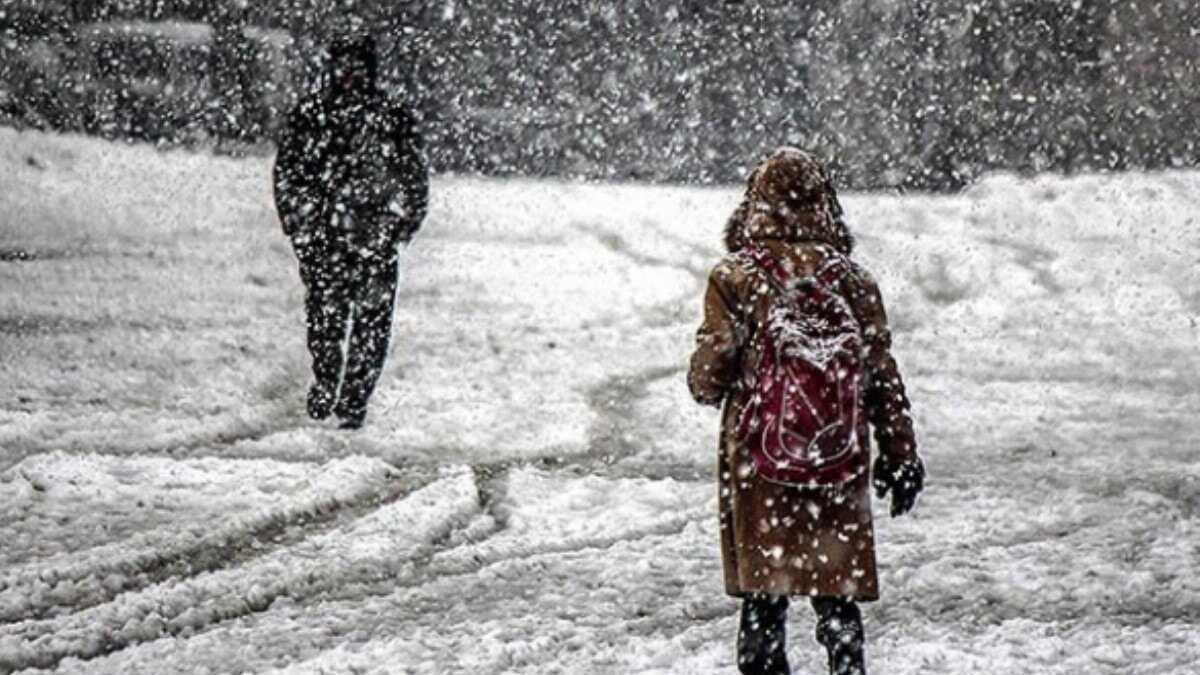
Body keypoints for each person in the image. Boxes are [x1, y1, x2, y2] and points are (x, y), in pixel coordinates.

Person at [687, 147, 925, 675]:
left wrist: (705, 380)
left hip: (760, 460)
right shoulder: (853, 282)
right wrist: (900, 451)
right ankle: (845, 666)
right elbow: (881, 373)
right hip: (836, 459)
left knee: (764, 599)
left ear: (755, 204)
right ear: (826, 204)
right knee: (835, 593)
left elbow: (711, 373)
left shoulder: (735, 279)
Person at [272, 33, 428, 429]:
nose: (349, 75)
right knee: (326, 320)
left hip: (374, 239)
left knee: (371, 328)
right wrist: (301, 227)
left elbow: (414, 180)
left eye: (357, 67)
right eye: (344, 66)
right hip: (325, 239)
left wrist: (397, 228)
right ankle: (327, 381)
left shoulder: (391, 118)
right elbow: (288, 175)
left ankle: (354, 400)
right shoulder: (311, 116)